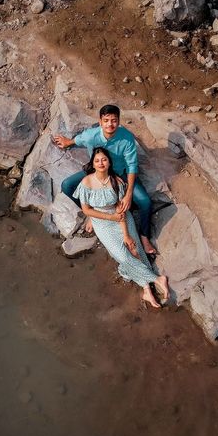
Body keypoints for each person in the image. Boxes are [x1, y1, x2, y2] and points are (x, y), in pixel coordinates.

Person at [54, 104, 156, 256]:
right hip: (98, 171)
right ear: (100, 122)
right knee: (67, 185)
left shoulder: (126, 137)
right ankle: (91, 213)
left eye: (114, 120)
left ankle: (144, 236)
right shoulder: (92, 135)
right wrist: (68, 142)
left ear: (119, 121)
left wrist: (128, 195)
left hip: (120, 173)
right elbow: (79, 139)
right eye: (106, 120)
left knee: (145, 201)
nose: (110, 124)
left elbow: (132, 165)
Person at [73, 147, 169, 308]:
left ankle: (146, 289)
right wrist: (109, 217)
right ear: (93, 164)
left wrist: (126, 236)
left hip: (122, 219)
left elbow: (121, 212)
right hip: (102, 223)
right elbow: (87, 210)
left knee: (134, 250)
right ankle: (156, 279)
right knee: (123, 257)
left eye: (104, 159)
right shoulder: (86, 182)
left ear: (109, 162)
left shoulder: (116, 181)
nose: (101, 163)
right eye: (97, 161)